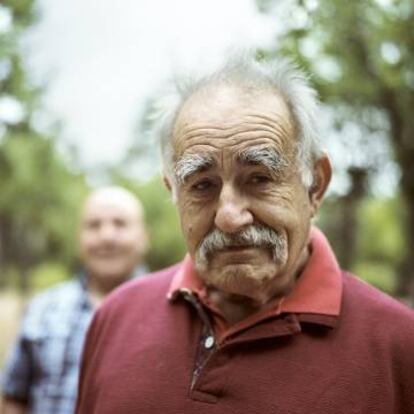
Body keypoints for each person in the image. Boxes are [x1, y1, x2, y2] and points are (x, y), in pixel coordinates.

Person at [75, 53, 414, 414]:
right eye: (202, 185)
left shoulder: (399, 346)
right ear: (173, 191)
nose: (229, 218)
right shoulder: (116, 317)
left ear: (315, 184)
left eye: (259, 178)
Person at [1, 186, 148, 414]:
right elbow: (14, 397)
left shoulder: (175, 310)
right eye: (94, 225)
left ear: (143, 237)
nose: (106, 236)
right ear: (79, 238)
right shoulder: (42, 309)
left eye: (120, 223)